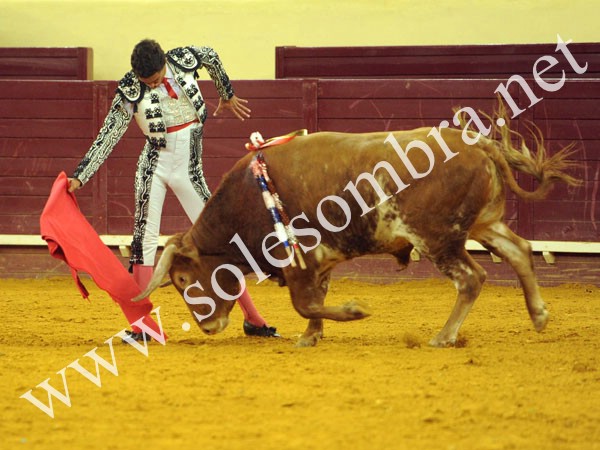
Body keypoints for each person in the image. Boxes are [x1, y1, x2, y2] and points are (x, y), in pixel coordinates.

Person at [68, 39, 278, 340]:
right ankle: (143, 327)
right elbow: (108, 135)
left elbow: (211, 55)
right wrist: (81, 176)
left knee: (220, 239)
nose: (152, 85)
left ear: (164, 63)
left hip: (188, 168)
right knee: (144, 240)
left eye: (155, 79)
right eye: (147, 82)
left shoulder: (183, 60)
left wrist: (226, 93)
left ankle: (254, 319)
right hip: (153, 165)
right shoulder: (130, 88)